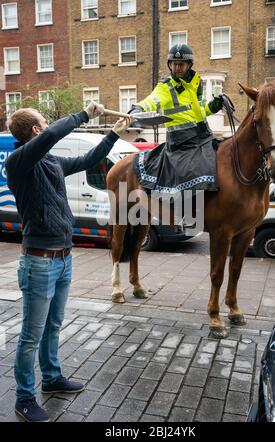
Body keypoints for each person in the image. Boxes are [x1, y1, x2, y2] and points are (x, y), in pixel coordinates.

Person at [5, 102, 132, 422]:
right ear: (35, 131)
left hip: (63, 259)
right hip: (38, 263)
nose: (46, 126)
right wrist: (85, 115)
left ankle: (51, 377)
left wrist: (112, 136)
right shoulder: (19, 162)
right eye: (43, 123)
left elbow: (87, 159)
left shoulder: (50, 161)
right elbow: (51, 135)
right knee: (30, 335)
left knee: (54, 326)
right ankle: (23, 397)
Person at [130, 44, 223, 204]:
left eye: (181, 64)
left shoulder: (195, 82)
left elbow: (199, 110)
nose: (177, 67)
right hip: (180, 143)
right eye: (174, 64)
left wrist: (213, 106)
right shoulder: (165, 86)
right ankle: (186, 213)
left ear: (189, 65)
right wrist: (138, 108)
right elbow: (152, 100)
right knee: (193, 171)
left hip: (202, 137)